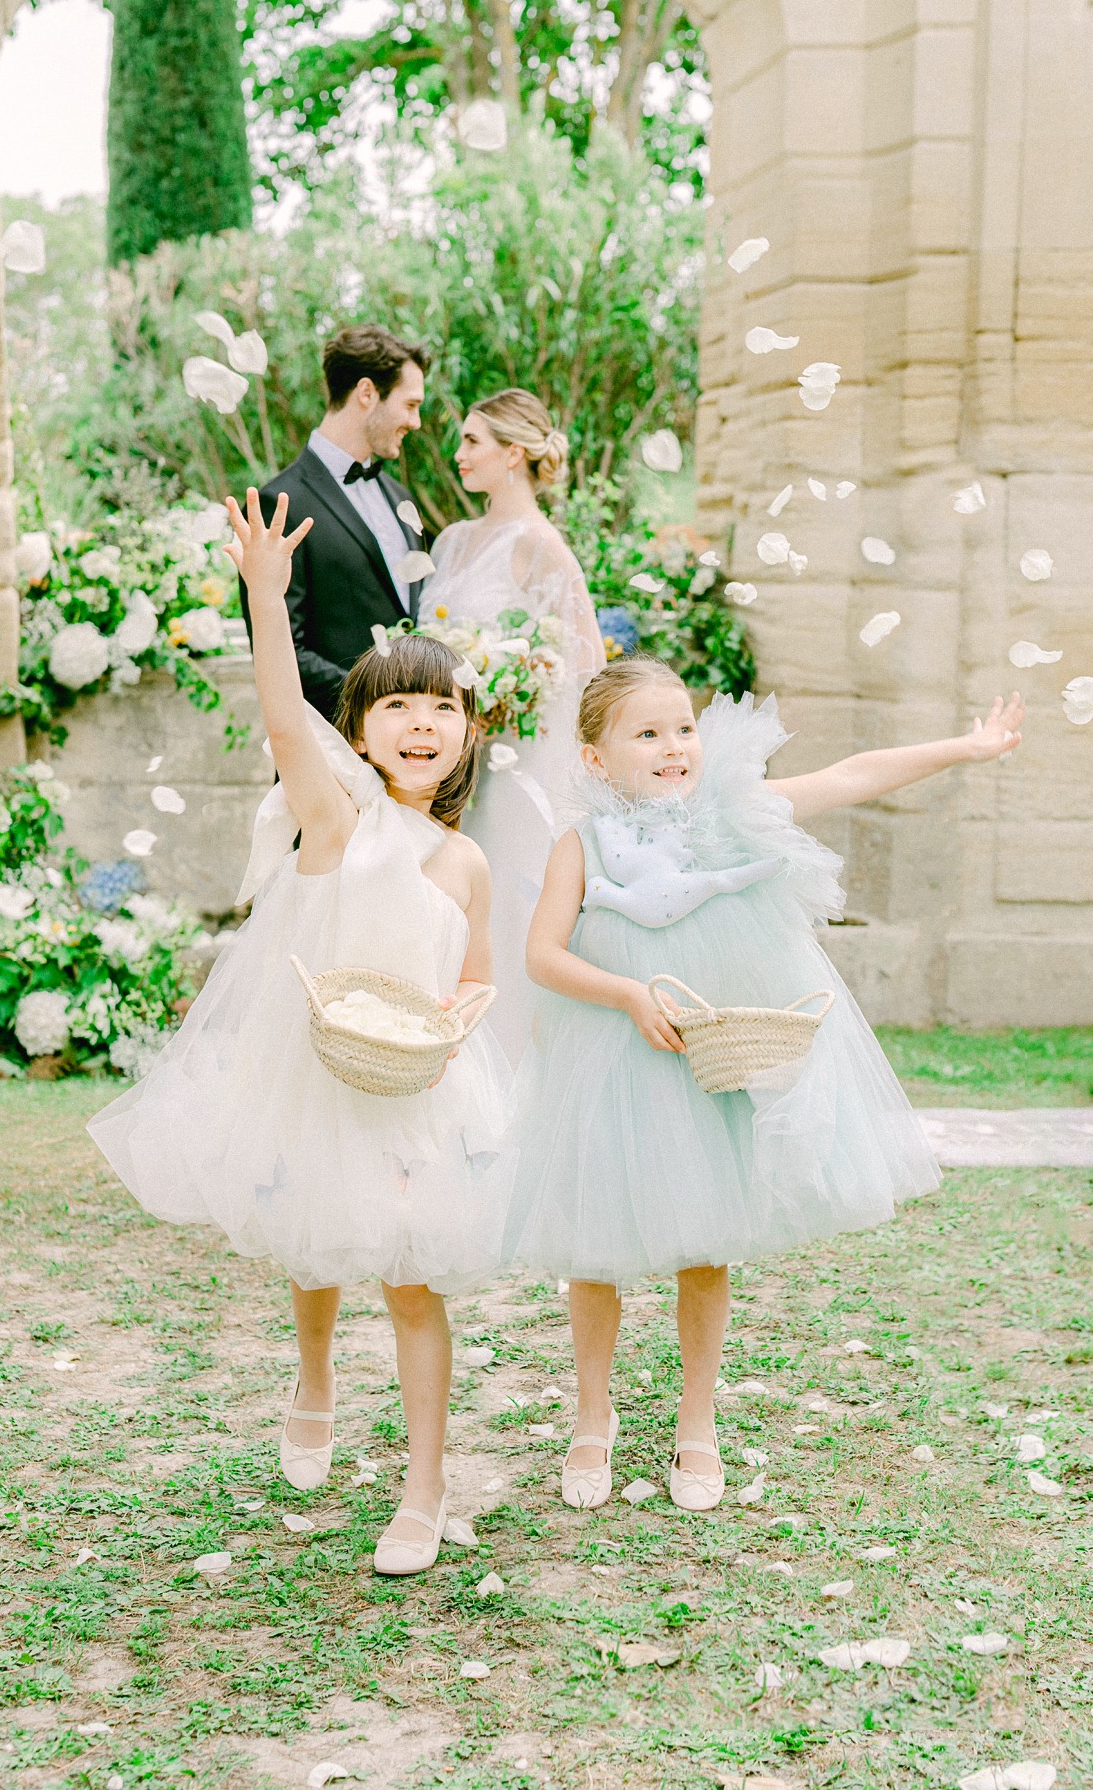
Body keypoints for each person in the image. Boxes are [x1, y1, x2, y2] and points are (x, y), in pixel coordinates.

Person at [89, 491, 512, 1576]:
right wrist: (265, 599)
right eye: (397, 707)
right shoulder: (339, 821)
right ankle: (314, 1375)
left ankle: (424, 1488)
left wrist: (459, 1023)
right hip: (317, 1070)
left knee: (412, 1281)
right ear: (361, 731)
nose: (421, 723)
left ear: (468, 730)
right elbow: (285, 722)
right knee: (314, 1239)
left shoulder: (466, 862)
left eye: (441, 708)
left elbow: (475, 979)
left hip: (413, 1085)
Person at [503, 657, 1025, 1514]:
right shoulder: (584, 845)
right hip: (614, 1055)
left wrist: (966, 747)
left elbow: (853, 775)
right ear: (596, 758)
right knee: (593, 1243)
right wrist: (628, 991)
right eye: (647, 733)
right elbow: (543, 955)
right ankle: (591, 1415)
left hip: (716, 1056)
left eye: (684, 728)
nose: (674, 747)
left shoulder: (736, 815)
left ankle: (696, 1420)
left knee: (707, 1242)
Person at [429, 390, 606, 1059]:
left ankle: (503, 1068)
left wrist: (508, 696)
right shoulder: (451, 542)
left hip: (512, 767)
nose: (459, 454)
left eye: (472, 441)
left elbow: (585, 665)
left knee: (504, 900)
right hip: (444, 761)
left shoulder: (542, 546)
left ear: (512, 453)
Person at [240, 325, 431, 719]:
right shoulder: (280, 504)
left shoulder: (401, 498)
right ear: (367, 393)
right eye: (410, 405)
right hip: (327, 748)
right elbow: (280, 648)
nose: (416, 423)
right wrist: (381, 704)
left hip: (415, 758)